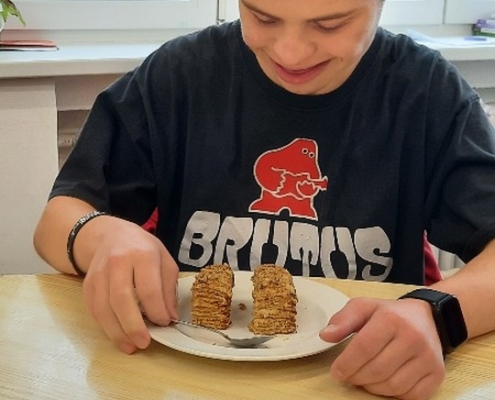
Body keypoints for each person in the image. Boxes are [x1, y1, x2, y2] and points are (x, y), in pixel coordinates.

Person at [33, 0, 495, 399]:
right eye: (262, 16)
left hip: (356, 377)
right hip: (184, 376)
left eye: (329, 24)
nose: (289, 51)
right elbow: (57, 221)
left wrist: (440, 314)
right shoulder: (180, 77)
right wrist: (100, 235)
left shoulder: (427, 93)